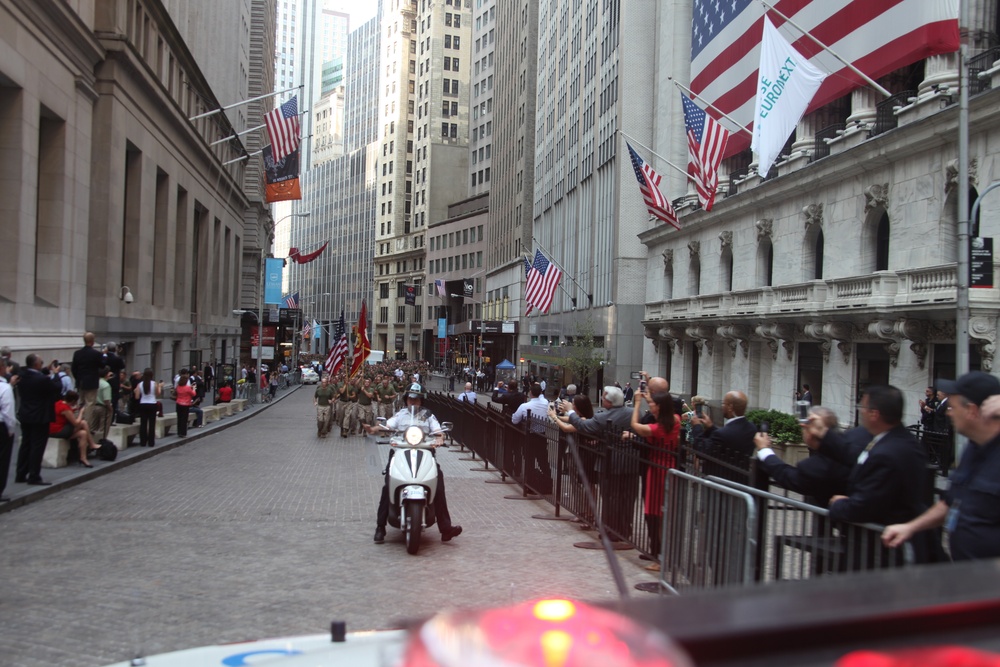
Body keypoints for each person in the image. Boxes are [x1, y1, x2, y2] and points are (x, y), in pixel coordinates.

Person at [883, 372, 1000, 561]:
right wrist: (910, 527)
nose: (948, 412)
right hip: (969, 575)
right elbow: (949, 503)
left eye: (953, 407)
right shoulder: (973, 448)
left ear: (971, 411)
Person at [805, 385, 929, 529]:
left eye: (863, 408)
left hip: (883, 544)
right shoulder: (895, 440)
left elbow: (864, 508)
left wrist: (838, 504)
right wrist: (823, 434)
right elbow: (853, 455)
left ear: (874, 414)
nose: (861, 412)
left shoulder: (887, 453)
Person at [364, 383, 463, 544]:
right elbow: (387, 426)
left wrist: (439, 438)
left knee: (438, 484)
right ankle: (380, 526)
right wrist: (373, 430)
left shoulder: (428, 416)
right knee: (388, 484)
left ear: (422, 401)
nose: (413, 402)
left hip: (425, 452)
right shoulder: (400, 414)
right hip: (400, 452)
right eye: (411, 398)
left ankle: (445, 529)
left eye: (417, 399)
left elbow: (438, 432)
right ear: (406, 399)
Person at [754, 406, 862, 509]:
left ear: (810, 433)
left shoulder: (817, 466)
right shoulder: (855, 442)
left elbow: (786, 475)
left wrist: (764, 450)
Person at [629, 390, 680, 571]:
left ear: (659, 407)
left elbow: (635, 425)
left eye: (652, 404)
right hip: (670, 469)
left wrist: (637, 403)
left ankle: (661, 558)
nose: (649, 406)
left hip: (658, 470)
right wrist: (647, 397)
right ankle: (664, 555)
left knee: (658, 516)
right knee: (663, 515)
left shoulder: (656, 429)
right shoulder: (675, 421)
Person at [14, 355, 62, 485]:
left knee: (26, 444)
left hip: (25, 415)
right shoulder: (42, 380)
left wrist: (46, 370)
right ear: (36, 365)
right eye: (41, 362)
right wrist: (56, 374)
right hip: (40, 416)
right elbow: (57, 387)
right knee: (37, 446)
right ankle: (34, 475)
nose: (41, 364)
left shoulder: (23, 376)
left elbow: (38, 378)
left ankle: (21, 473)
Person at [689, 390, 757, 461]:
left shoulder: (722, 433)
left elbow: (701, 451)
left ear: (730, 407)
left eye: (724, 403)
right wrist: (711, 427)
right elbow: (728, 439)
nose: (722, 406)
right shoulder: (752, 428)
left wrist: (697, 426)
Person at [512, 383, 553, 495]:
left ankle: (530, 485)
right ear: (541, 393)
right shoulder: (545, 403)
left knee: (529, 461)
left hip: (530, 436)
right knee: (543, 461)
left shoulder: (525, 406)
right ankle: (548, 485)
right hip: (542, 436)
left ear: (530, 393)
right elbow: (543, 399)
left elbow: (514, 420)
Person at [51, 390, 99, 467]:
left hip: (55, 429)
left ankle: (83, 458)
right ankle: (91, 444)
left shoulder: (58, 403)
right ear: (73, 401)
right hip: (58, 431)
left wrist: (74, 410)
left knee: (83, 433)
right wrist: (81, 413)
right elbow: (76, 423)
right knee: (83, 422)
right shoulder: (65, 409)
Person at [71, 332, 104, 425]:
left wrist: (78, 378)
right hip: (91, 382)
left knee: (80, 402)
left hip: (80, 381)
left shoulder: (77, 353)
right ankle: (86, 424)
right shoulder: (96, 354)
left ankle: (78, 420)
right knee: (89, 403)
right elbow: (102, 365)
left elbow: (74, 368)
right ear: (92, 341)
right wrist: (104, 355)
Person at [0, 360, 17, 501]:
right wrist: (11, 429)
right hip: (1, 427)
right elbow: (8, 412)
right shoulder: (5, 388)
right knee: (2, 459)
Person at [134, 368, 163, 447]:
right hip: (152, 404)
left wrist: (136, 391)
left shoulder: (140, 384)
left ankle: (143, 441)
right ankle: (151, 442)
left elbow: (136, 397)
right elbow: (158, 394)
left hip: (143, 404)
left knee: (143, 423)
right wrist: (160, 386)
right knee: (152, 424)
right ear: (152, 375)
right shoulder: (154, 383)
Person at [173, 372, 196, 437]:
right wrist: (193, 388)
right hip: (185, 404)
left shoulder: (178, 387)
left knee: (179, 418)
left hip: (179, 403)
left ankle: (179, 432)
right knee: (184, 419)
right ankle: (183, 433)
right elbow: (193, 394)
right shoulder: (187, 388)